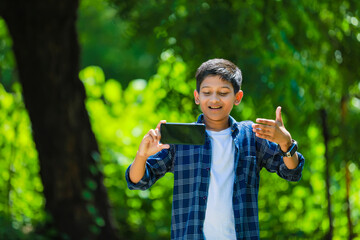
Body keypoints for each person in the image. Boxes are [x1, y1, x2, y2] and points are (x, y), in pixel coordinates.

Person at [125, 58, 305, 240]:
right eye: (207, 92)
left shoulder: (252, 136)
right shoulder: (182, 138)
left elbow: (292, 172)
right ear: (197, 96)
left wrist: (286, 144)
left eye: (223, 92)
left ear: (237, 97)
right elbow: (138, 181)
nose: (214, 99)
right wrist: (142, 155)